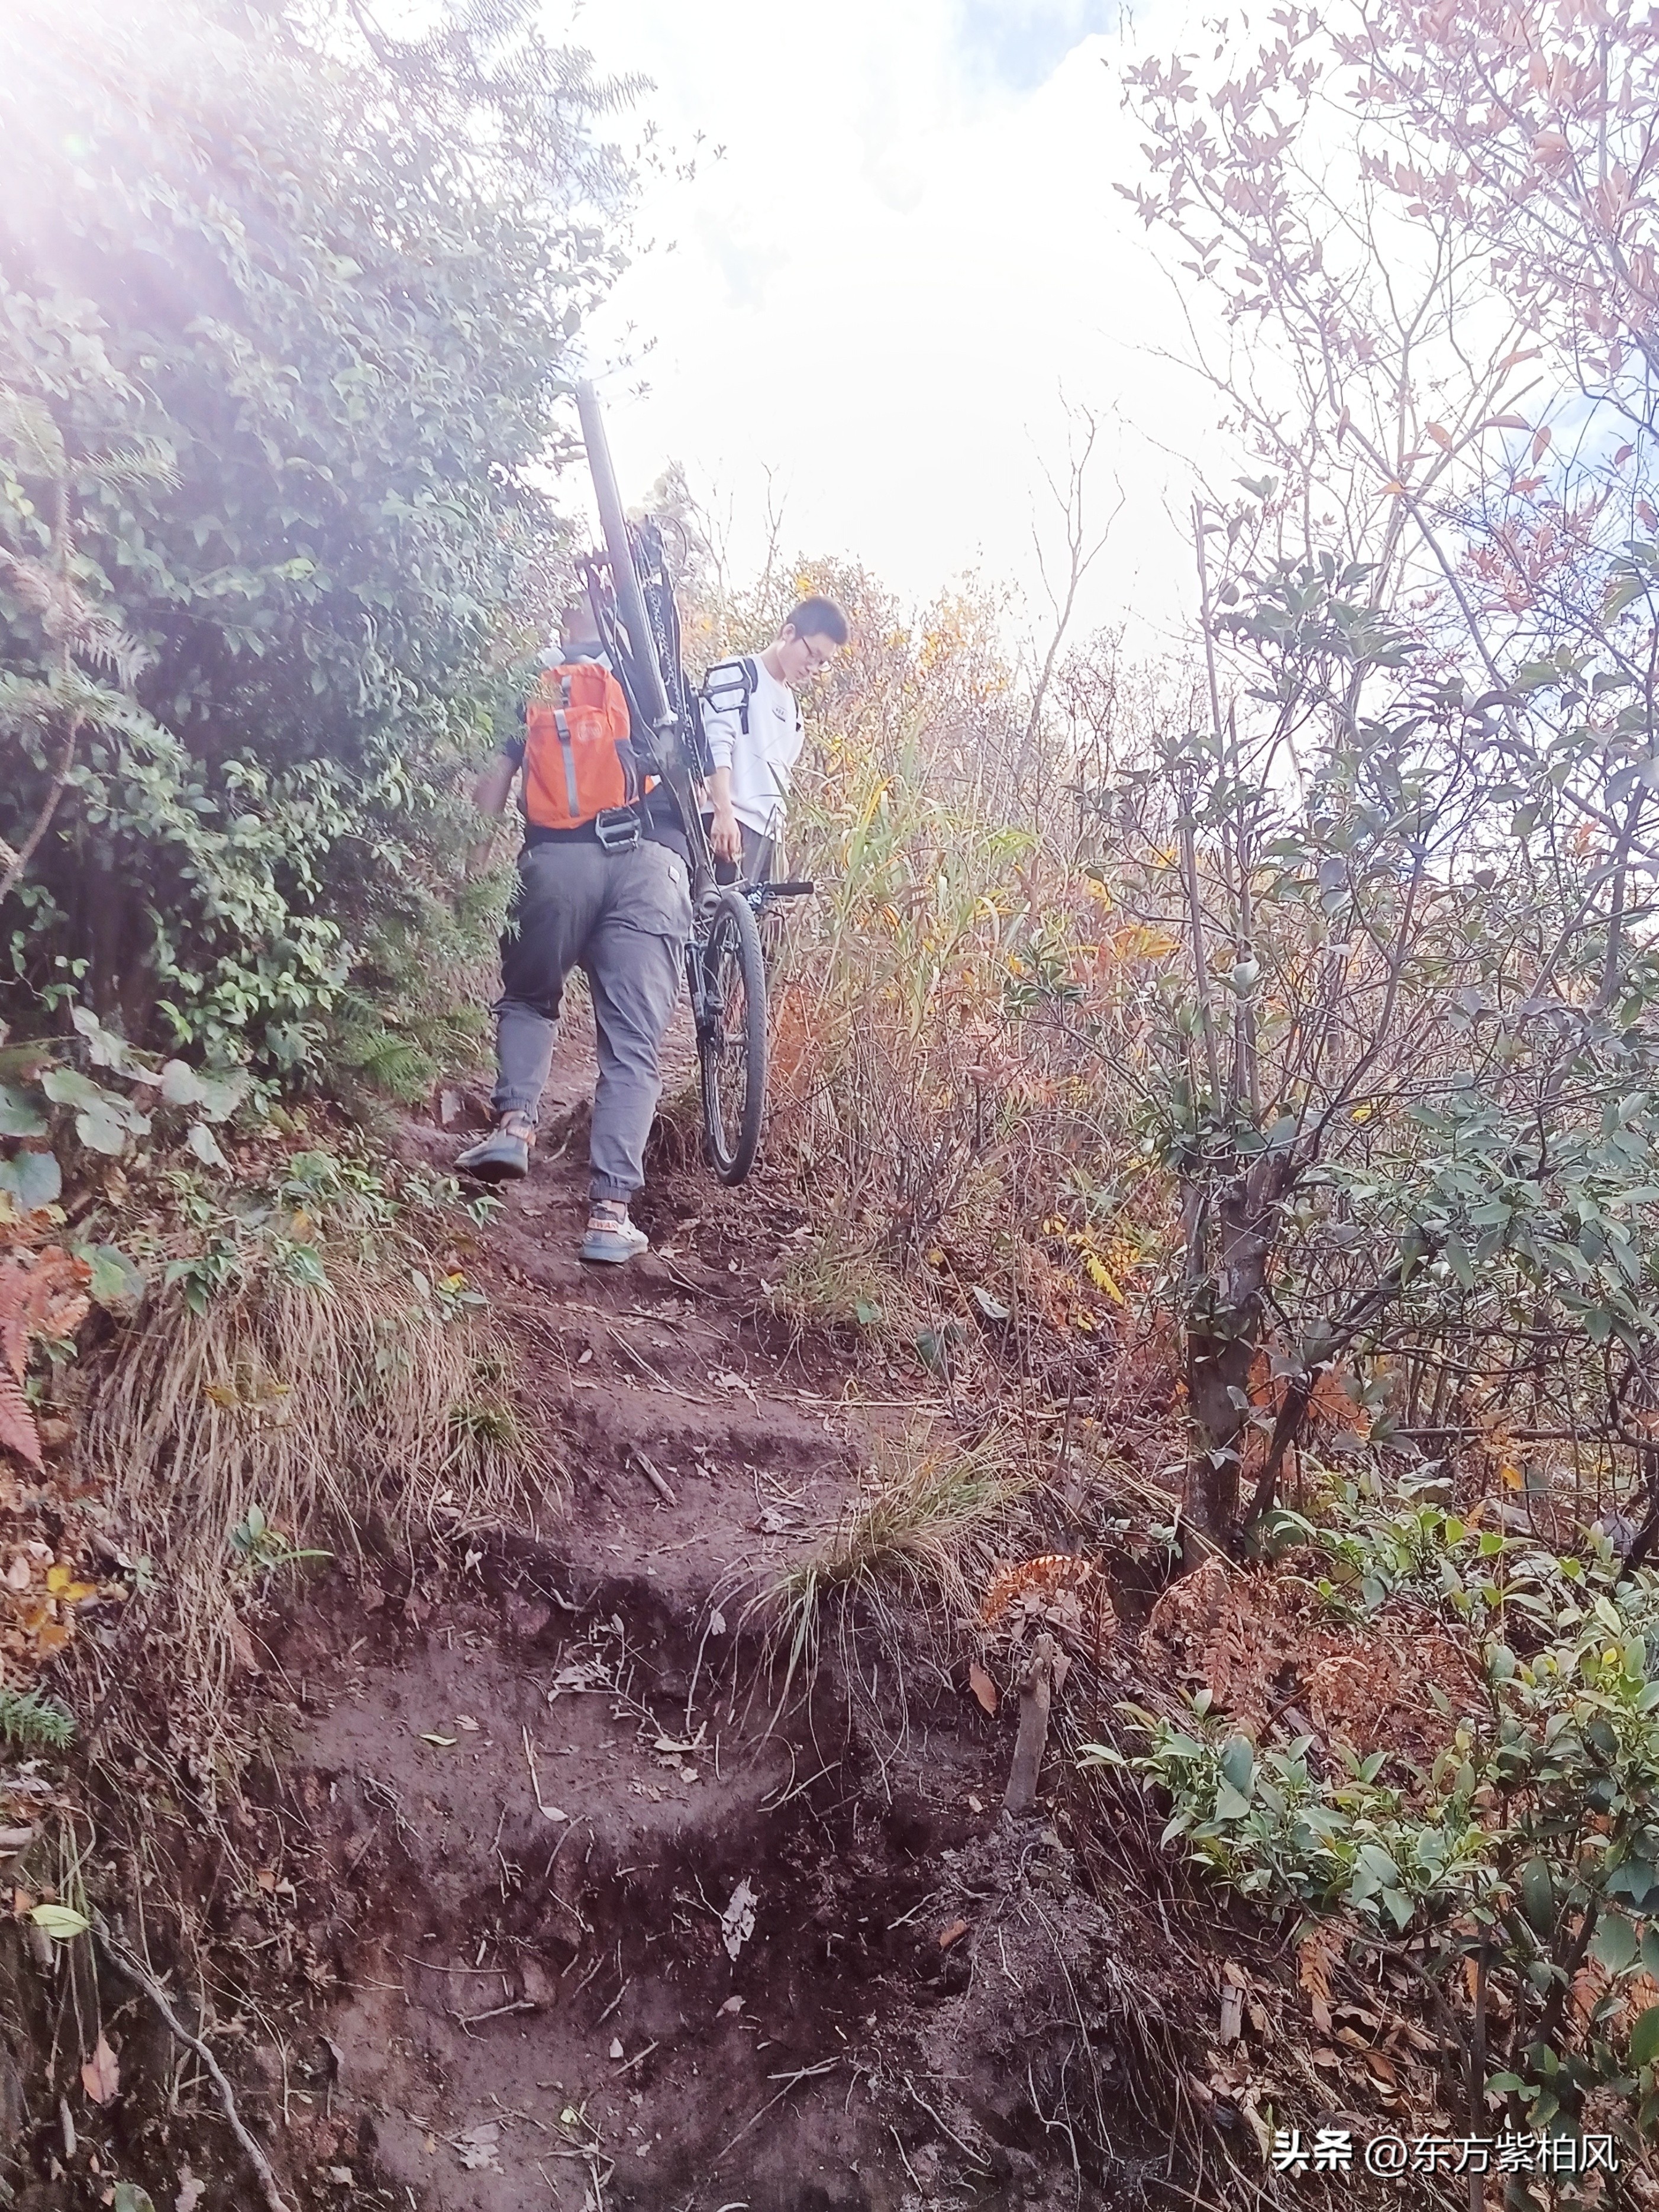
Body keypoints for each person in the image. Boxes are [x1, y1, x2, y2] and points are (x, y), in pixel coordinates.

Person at [454, 596, 692, 1265]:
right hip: (650, 869)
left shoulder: (535, 679)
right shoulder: (654, 674)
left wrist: (478, 869)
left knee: (530, 996)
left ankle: (515, 1126)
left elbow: (497, 778)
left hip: (556, 862)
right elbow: (695, 782)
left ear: (563, 620)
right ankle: (609, 1215)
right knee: (633, 1049)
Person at [701, 596, 848, 883]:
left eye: (822, 663)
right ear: (789, 633)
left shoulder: (794, 712)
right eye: (811, 654)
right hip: (729, 825)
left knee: (754, 927)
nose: (813, 668)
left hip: (768, 840)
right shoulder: (736, 674)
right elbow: (715, 745)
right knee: (710, 922)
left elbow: (781, 780)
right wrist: (722, 812)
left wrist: (778, 848)